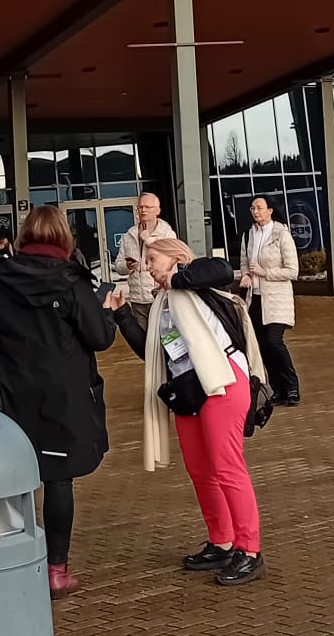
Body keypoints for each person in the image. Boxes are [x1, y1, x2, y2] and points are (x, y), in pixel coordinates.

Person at [105, 239, 266, 586]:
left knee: (226, 467)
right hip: (188, 386)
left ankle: (249, 549)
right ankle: (222, 541)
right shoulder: (162, 301)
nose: (148, 266)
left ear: (175, 257)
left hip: (221, 379)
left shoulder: (196, 282)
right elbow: (153, 351)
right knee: (200, 470)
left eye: (153, 258)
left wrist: (177, 276)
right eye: (147, 260)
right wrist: (122, 315)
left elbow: (221, 270)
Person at [0, 204, 116, 598]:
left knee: (12, 478)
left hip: (10, 392)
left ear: (24, 235)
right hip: (62, 395)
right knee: (58, 478)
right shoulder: (72, 281)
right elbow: (99, 337)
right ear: (64, 237)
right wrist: (108, 312)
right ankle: (56, 570)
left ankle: (12, 560)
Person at [240, 196, 301, 406]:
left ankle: (292, 387)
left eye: (259, 207)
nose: (255, 211)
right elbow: (245, 262)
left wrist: (265, 272)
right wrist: (246, 275)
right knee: (263, 346)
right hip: (255, 299)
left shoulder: (281, 234)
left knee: (274, 341)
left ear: (270, 210)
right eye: (252, 208)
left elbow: (292, 271)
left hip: (276, 299)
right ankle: (278, 390)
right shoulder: (249, 234)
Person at [114, 191, 180, 331]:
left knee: (162, 337)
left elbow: (171, 260)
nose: (143, 210)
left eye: (148, 207)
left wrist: (147, 239)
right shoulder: (129, 235)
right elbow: (118, 266)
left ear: (157, 210)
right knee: (142, 339)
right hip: (137, 300)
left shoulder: (167, 233)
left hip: (159, 296)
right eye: (140, 207)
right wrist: (127, 265)